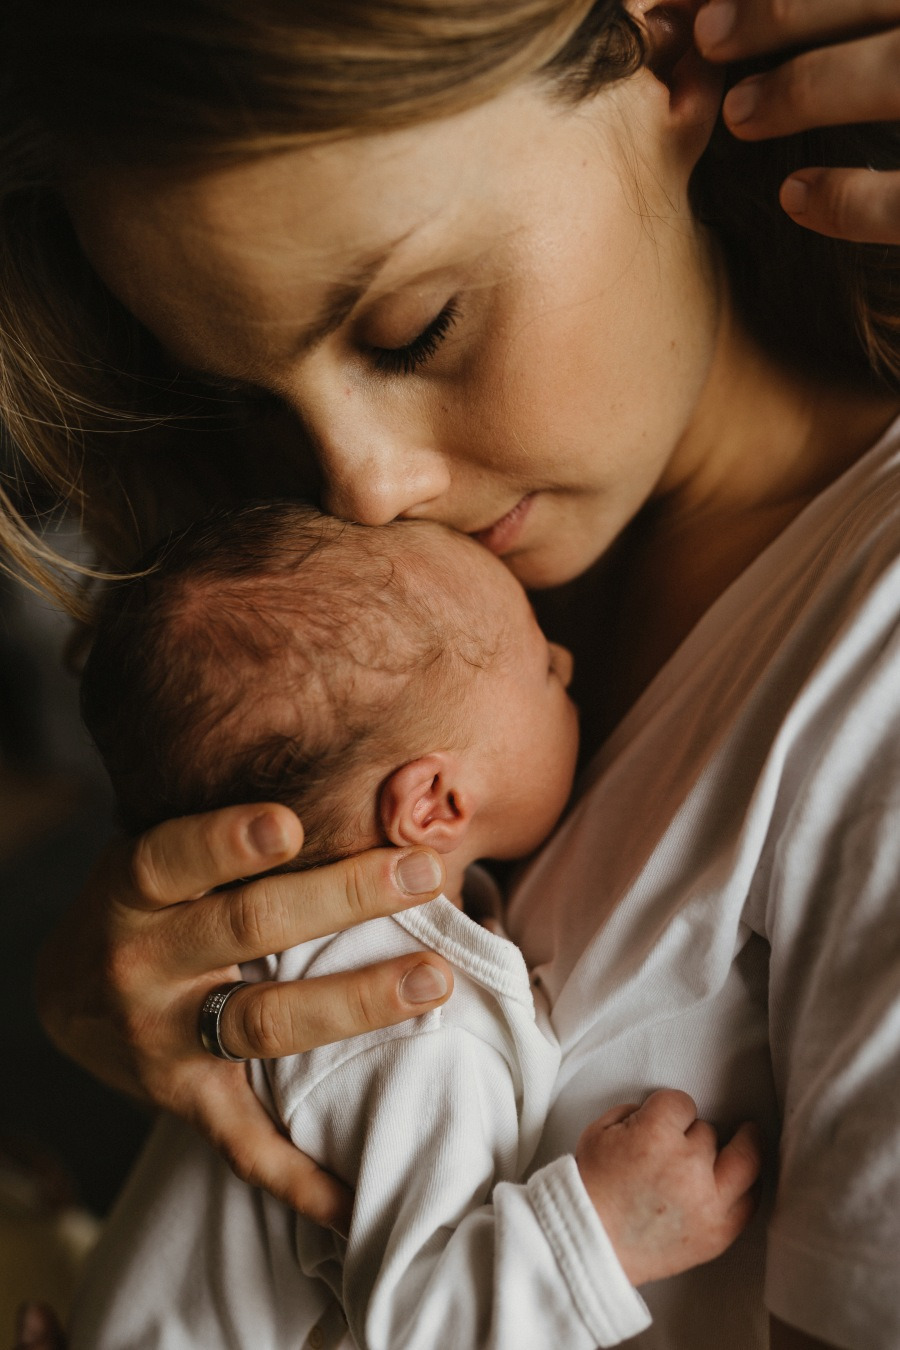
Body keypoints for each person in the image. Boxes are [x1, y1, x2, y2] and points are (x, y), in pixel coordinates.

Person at [2, 1, 899, 1347]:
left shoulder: (868, 654)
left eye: (415, 329)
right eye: (252, 396)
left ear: (660, 55)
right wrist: (113, 992)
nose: (364, 491)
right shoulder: (350, 644)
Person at [70, 499, 761, 1348]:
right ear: (436, 804)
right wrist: (604, 1237)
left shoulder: (278, 957)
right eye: (541, 663)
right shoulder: (417, 1027)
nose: (570, 659)